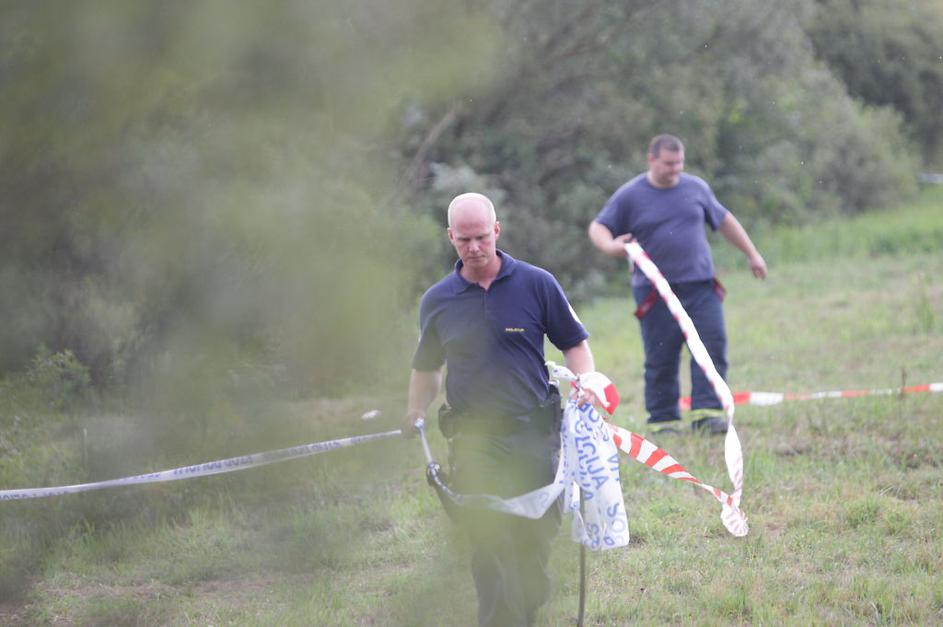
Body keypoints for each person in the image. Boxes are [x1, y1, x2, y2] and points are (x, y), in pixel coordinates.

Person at [404, 192, 595, 627]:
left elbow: (575, 347)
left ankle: (527, 608)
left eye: (481, 237)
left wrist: (585, 385)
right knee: (487, 543)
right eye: (464, 240)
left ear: (497, 231)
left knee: (534, 545)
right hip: (472, 438)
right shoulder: (438, 301)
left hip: (533, 434)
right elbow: (428, 369)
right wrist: (414, 409)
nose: (474, 248)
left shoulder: (537, 284)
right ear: (451, 237)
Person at [588, 134, 767, 435]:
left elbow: (724, 220)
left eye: (679, 163)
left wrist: (752, 254)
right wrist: (611, 247)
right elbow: (598, 227)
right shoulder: (631, 195)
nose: (675, 170)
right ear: (652, 159)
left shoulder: (696, 188)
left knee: (711, 347)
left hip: (700, 287)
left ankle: (708, 414)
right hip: (654, 292)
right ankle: (664, 420)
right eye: (668, 164)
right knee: (661, 355)